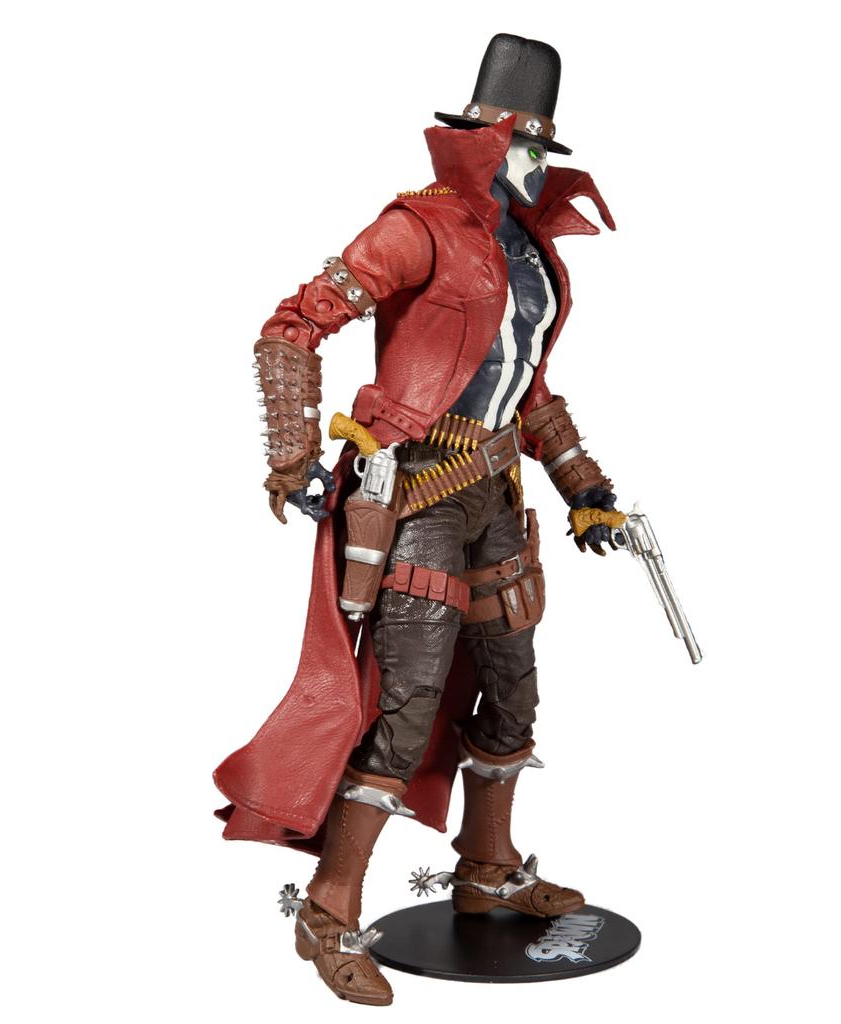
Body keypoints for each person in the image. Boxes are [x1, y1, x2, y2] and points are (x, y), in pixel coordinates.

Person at [215, 33, 620, 1006]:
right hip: (419, 495)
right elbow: (293, 326)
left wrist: (585, 487)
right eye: (525, 145)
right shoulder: (418, 225)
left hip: (496, 495)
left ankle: (488, 870)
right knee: (402, 713)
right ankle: (328, 911)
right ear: (486, 140)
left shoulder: (531, 251)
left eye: (544, 148)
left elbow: (526, 389)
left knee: (513, 697)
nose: (536, 163)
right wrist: (292, 454)